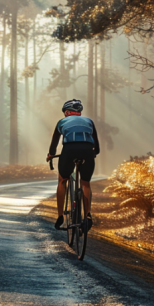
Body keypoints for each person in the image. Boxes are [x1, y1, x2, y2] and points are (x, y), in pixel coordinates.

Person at [46, 99, 99, 233]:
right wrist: (91, 154)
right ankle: (87, 215)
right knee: (86, 183)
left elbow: (54, 143)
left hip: (69, 150)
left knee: (62, 180)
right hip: (87, 150)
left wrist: (51, 155)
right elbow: (96, 147)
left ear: (67, 112)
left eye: (65, 112)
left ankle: (60, 217)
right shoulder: (89, 121)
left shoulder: (61, 122)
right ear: (79, 112)